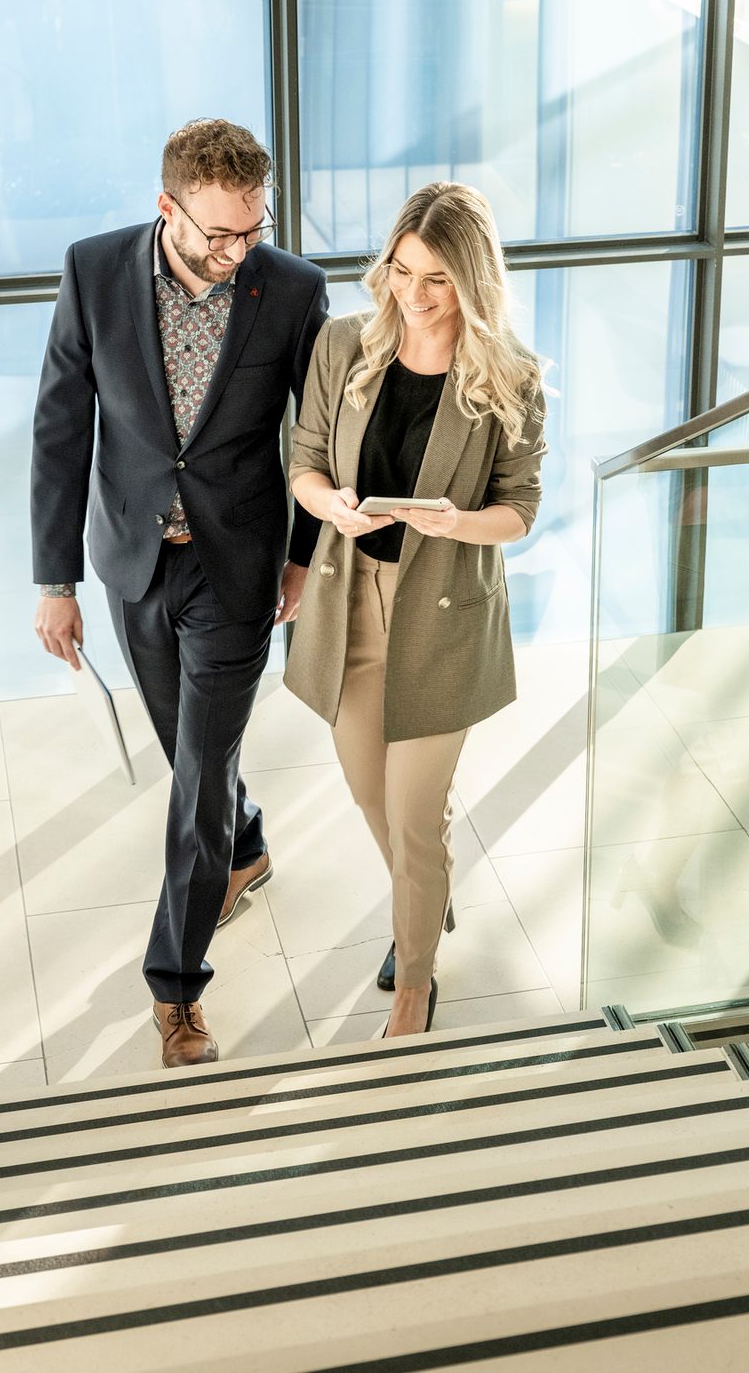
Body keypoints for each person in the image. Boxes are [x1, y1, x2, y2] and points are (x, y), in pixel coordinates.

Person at [31, 120, 328, 1068]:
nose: (237, 252)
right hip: (132, 561)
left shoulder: (290, 289)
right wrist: (55, 580)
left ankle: (177, 987)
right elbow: (60, 428)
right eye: (217, 235)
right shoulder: (92, 272)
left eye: (252, 229)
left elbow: (313, 434)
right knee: (188, 754)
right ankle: (246, 843)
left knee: (197, 779)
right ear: (168, 208)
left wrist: (303, 557)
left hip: (236, 568)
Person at [285, 182, 546, 1038]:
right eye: (403, 271)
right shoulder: (342, 345)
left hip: (442, 614)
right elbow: (305, 463)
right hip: (349, 600)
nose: (415, 294)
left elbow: (520, 508)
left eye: (437, 279)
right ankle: (424, 897)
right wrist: (332, 507)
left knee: (411, 813)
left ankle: (413, 983)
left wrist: (457, 523)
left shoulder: (509, 375)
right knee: (370, 792)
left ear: (472, 281)